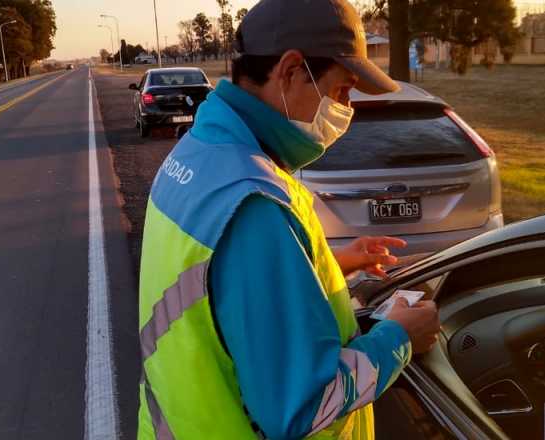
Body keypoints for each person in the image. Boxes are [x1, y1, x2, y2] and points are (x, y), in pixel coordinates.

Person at [136, 0, 442, 438]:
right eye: (342, 90)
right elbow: (302, 407)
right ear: (292, 70)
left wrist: (325, 264)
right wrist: (399, 338)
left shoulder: (197, 155)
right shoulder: (254, 202)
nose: (346, 108)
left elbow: (220, 291)